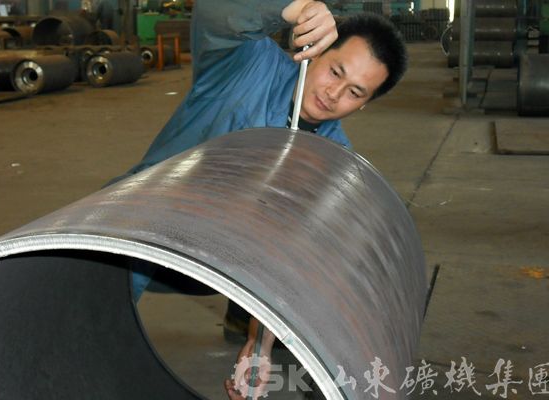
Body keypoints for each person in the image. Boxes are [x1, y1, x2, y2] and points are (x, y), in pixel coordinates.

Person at [107, 0, 407, 397]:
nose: (333, 94)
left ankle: (242, 313)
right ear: (315, 51)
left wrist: (260, 345)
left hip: (212, 262)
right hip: (139, 225)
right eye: (335, 71)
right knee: (93, 302)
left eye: (354, 92)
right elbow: (214, 14)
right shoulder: (245, 63)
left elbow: (287, 258)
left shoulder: (332, 161)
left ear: (364, 104)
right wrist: (293, 7)